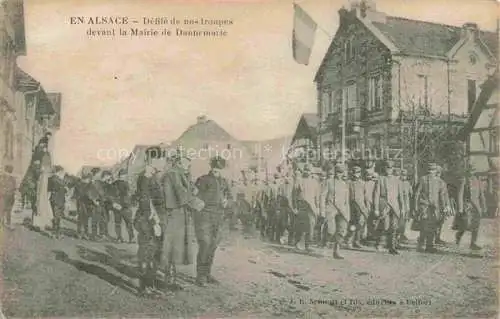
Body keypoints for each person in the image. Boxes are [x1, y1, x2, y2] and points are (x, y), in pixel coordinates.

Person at [194, 156, 232, 286]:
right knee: (205, 244)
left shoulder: (224, 182)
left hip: (218, 217)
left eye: (219, 169)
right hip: (205, 216)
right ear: (211, 167)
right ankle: (200, 276)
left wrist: (227, 202)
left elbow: (231, 198)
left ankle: (207, 273)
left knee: (213, 246)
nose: (217, 171)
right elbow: (195, 196)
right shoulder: (203, 179)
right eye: (215, 168)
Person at [161, 151, 196, 288]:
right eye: (187, 162)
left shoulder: (178, 174)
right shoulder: (174, 174)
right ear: (180, 162)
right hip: (174, 214)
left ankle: (171, 277)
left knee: (175, 247)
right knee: (172, 247)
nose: (189, 165)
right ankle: (169, 279)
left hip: (178, 213)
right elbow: (182, 195)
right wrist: (200, 205)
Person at [134, 162, 162, 296]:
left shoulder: (151, 178)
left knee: (153, 253)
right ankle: (144, 288)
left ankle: (150, 285)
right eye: (160, 159)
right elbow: (146, 202)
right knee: (146, 253)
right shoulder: (144, 179)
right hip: (146, 220)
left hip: (150, 219)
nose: (163, 162)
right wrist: (154, 220)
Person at [414, 163, 450, 253]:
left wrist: (445, 206)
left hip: (435, 208)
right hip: (424, 206)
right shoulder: (423, 179)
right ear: (428, 170)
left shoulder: (440, 182)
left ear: (435, 171)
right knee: (424, 225)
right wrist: (415, 206)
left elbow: (442, 195)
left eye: (433, 170)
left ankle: (429, 246)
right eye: (430, 170)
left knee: (433, 226)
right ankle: (421, 244)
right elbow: (417, 193)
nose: (431, 172)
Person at [372, 160, 403, 255]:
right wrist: (376, 208)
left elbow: (400, 195)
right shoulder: (380, 179)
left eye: (390, 168)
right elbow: (376, 194)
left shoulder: (397, 180)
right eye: (387, 168)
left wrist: (403, 208)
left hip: (394, 206)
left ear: (393, 169)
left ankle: (392, 247)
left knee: (394, 227)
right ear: (384, 168)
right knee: (385, 225)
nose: (389, 170)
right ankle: (379, 243)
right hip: (384, 205)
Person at [455, 164, 486, 250]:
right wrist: (460, 208)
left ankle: (473, 243)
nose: (471, 173)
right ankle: (459, 234)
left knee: (476, 225)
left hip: (476, 207)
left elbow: (481, 195)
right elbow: (460, 195)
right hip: (467, 205)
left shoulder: (478, 182)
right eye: (469, 171)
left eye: (473, 171)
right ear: (467, 172)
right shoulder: (463, 181)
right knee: (466, 224)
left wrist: (484, 206)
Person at [323, 164, 350, 259]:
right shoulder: (329, 182)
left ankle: (336, 250)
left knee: (342, 231)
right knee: (331, 230)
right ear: (335, 172)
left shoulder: (344, 184)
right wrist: (322, 210)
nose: (339, 174)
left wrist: (347, 214)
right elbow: (323, 196)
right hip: (330, 208)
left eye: (341, 172)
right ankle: (326, 247)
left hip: (342, 210)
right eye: (338, 172)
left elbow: (347, 201)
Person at [292, 164, 321, 252]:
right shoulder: (299, 181)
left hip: (311, 207)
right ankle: (297, 243)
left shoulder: (315, 182)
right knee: (300, 225)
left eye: (309, 170)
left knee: (311, 226)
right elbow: (294, 196)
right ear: (303, 171)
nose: (307, 172)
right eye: (306, 170)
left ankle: (308, 245)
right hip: (301, 206)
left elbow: (317, 196)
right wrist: (295, 208)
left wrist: (318, 207)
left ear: (311, 172)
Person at [32, 141, 54, 231]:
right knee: (41, 200)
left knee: (42, 200)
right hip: (43, 180)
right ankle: (41, 222)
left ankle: (42, 222)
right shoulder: (44, 156)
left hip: (43, 181)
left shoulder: (45, 156)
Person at [346, 166, 369, 248]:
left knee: (360, 223)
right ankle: (349, 241)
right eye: (354, 172)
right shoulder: (348, 182)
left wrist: (367, 207)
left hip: (361, 206)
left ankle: (357, 241)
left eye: (358, 172)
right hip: (351, 205)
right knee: (352, 223)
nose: (356, 174)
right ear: (352, 173)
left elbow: (366, 196)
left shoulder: (363, 183)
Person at [113, 169, 135, 243]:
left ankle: (119, 238)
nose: (126, 177)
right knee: (128, 223)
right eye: (125, 175)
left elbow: (111, 195)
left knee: (118, 223)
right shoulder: (126, 184)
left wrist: (115, 203)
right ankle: (131, 238)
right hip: (125, 206)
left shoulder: (114, 184)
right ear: (123, 176)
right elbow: (129, 195)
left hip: (117, 206)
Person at [48, 165, 67, 238]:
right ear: (59, 171)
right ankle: (55, 233)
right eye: (62, 171)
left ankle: (56, 233)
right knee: (57, 217)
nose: (63, 173)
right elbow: (62, 187)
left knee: (57, 216)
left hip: (57, 199)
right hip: (57, 199)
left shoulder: (52, 179)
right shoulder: (56, 179)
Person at [434, 165, 451, 245]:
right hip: (433, 205)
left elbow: (446, 195)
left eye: (439, 172)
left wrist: (447, 205)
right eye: (437, 172)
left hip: (441, 205)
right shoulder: (431, 182)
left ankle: (437, 238)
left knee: (440, 222)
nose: (438, 174)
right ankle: (431, 238)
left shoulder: (443, 182)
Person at [0, 165, 16, 230]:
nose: (8, 174)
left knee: (8, 210)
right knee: (2, 210)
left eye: (9, 172)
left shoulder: (12, 179)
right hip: (3, 196)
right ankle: (2, 222)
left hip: (9, 196)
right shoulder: (2, 178)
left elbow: (13, 188)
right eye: (7, 172)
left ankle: (8, 223)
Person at [398, 169, 412, 244]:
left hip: (407, 203)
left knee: (405, 219)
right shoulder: (398, 183)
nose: (404, 177)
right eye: (402, 175)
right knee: (400, 219)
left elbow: (410, 193)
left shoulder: (407, 183)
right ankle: (398, 234)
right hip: (400, 203)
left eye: (405, 175)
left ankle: (402, 234)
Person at [364, 171, 378, 242]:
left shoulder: (375, 184)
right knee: (370, 220)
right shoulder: (366, 184)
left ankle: (372, 235)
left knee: (373, 221)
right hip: (369, 204)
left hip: (373, 204)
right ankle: (370, 235)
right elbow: (366, 196)